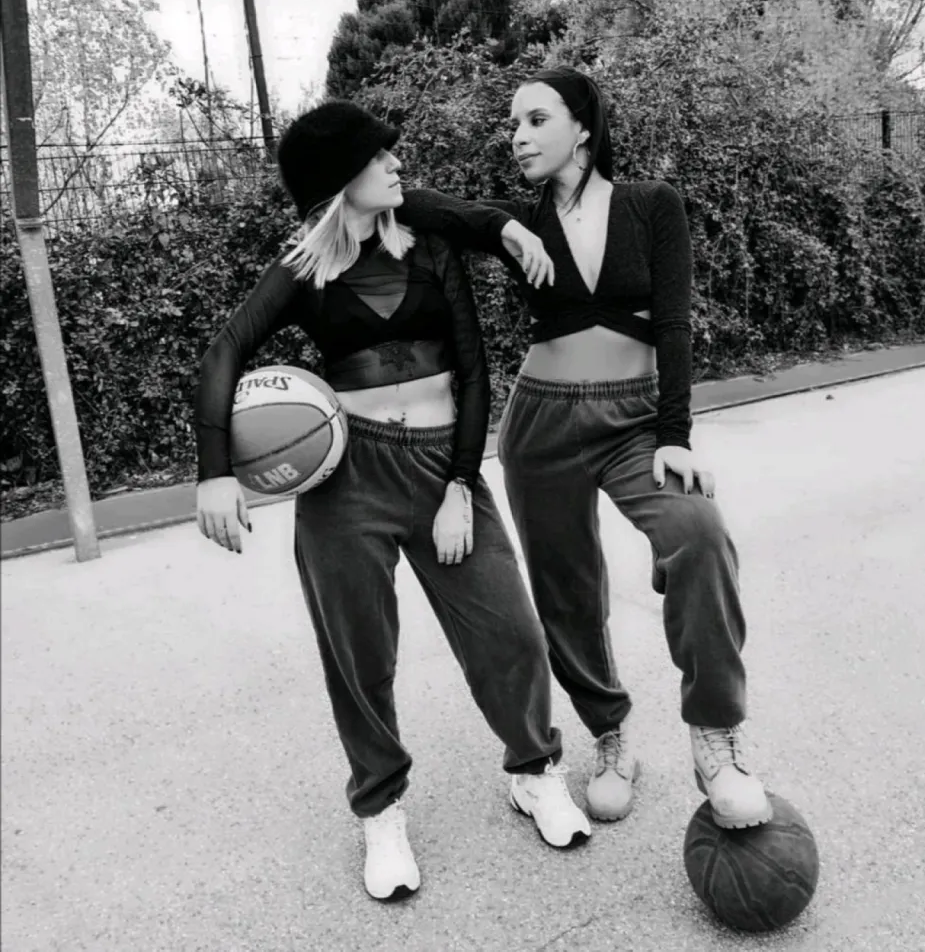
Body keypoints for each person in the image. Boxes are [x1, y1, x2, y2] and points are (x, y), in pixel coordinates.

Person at [193, 100, 590, 904]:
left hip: (442, 467)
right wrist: (213, 470)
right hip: (347, 482)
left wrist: (457, 484)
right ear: (345, 179)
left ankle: (534, 771)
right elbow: (227, 348)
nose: (396, 161)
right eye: (381, 154)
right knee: (359, 658)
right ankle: (381, 810)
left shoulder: (430, 244)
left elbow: (474, 371)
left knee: (508, 631)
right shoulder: (306, 268)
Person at [396, 67, 773, 831]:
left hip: (636, 421)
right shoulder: (524, 220)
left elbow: (673, 322)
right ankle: (610, 740)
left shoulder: (649, 205)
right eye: (513, 126)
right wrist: (499, 225)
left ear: (584, 128)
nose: (519, 137)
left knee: (698, 535)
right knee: (567, 591)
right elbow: (409, 199)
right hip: (543, 427)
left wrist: (675, 435)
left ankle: (715, 739)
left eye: (536, 120)